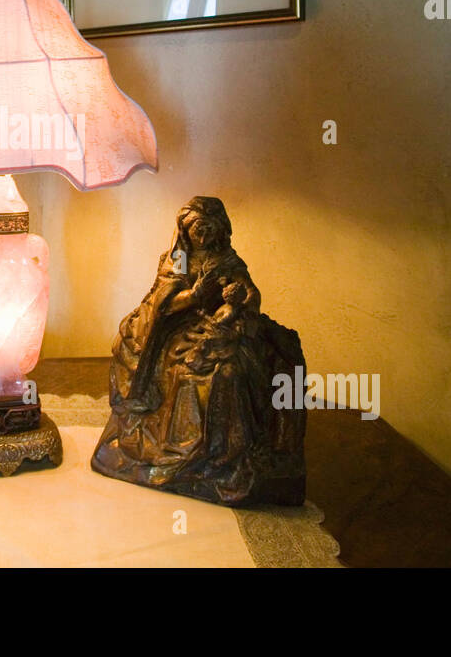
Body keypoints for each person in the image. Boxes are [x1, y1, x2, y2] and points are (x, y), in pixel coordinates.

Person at [92, 196, 306, 506]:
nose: (203, 235)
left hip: (223, 329)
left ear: (221, 230)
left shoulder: (228, 260)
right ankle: (189, 449)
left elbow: (250, 294)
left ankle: (229, 456)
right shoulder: (178, 260)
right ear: (185, 231)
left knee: (241, 368)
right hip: (177, 332)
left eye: (209, 228)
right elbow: (163, 307)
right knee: (194, 372)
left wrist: (241, 296)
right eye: (196, 229)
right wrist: (195, 294)